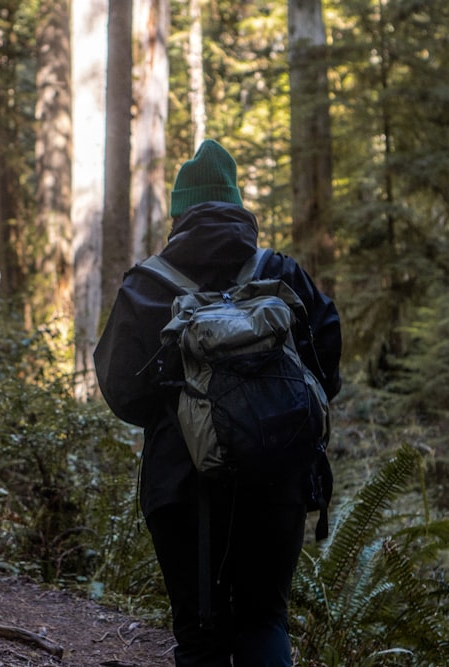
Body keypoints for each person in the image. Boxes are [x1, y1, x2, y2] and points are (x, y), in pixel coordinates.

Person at [94, 139, 342, 667]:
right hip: (277, 478)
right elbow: (326, 368)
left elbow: (122, 392)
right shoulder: (282, 273)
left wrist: (183, 412)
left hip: (180, 488)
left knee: (199, 637)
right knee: (265, 620)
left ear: (179, 214)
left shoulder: (146, 286)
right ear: (237, 207)